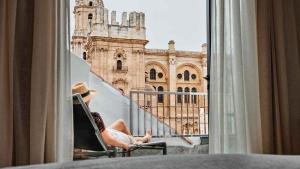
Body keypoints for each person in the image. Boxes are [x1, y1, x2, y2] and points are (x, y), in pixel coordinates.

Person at [72, 82, 152, 150]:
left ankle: (142, 139)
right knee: (129, 139)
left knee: (120, 123)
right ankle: (140, 140)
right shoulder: (94, 117)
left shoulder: (72, 116)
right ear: (88, 99)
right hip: (105, 139)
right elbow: (107, 140)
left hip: (95, 138)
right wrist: (125, 146)